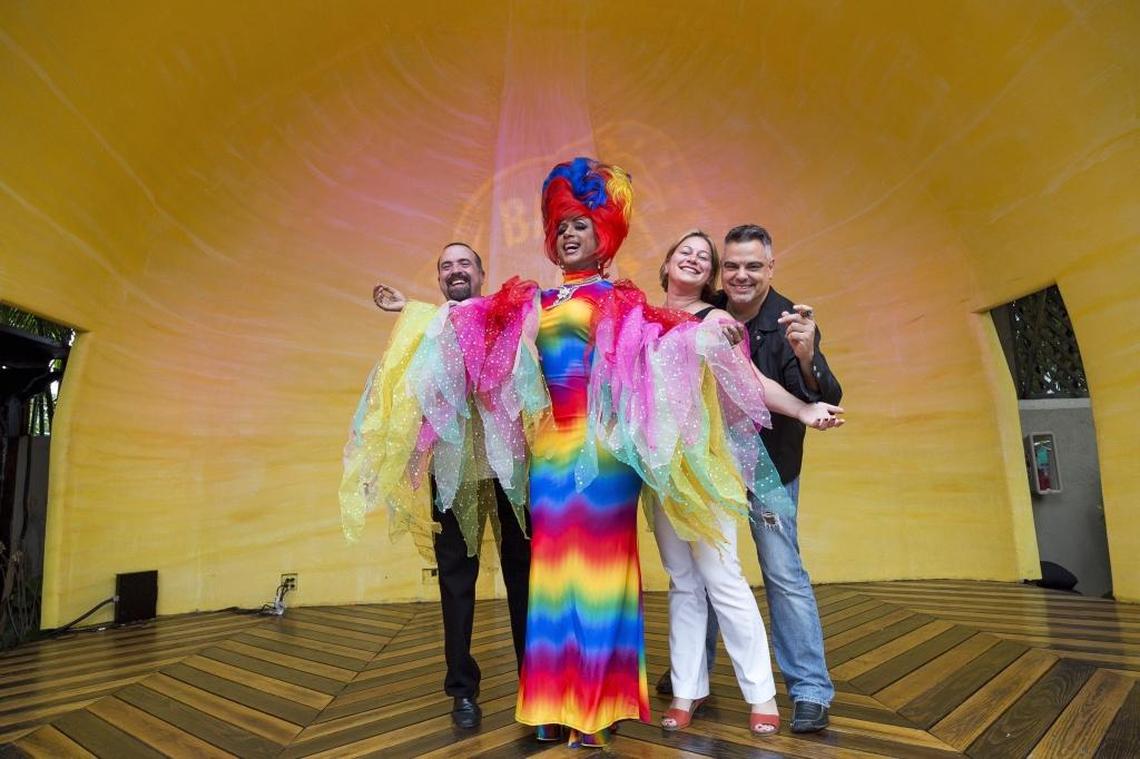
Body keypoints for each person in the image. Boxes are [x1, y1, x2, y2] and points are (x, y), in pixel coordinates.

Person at [651, 230, 843, 735]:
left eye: (703, 256)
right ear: (666, 262)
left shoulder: (725, 321)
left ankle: (783, 694)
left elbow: (752, 382)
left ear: (770, 267)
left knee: (745, 577)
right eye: (684, 252)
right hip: (664, 471)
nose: (738, 274)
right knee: (684, 583)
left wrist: (804, 407)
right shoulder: (650, 319)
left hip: (735, 466)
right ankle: (688, 687)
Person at [353, 242, 532, 729]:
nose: (455, 271)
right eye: (446, 265)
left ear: (481, 272)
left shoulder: (500, 315)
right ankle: (462, 690)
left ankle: (534, 685)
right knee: (456, 582)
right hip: (453, 471)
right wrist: (409, 310)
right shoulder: (429, 328)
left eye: (464, 264)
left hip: (509, 466)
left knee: (524, 578)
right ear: (439, 279)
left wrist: (410, 307)